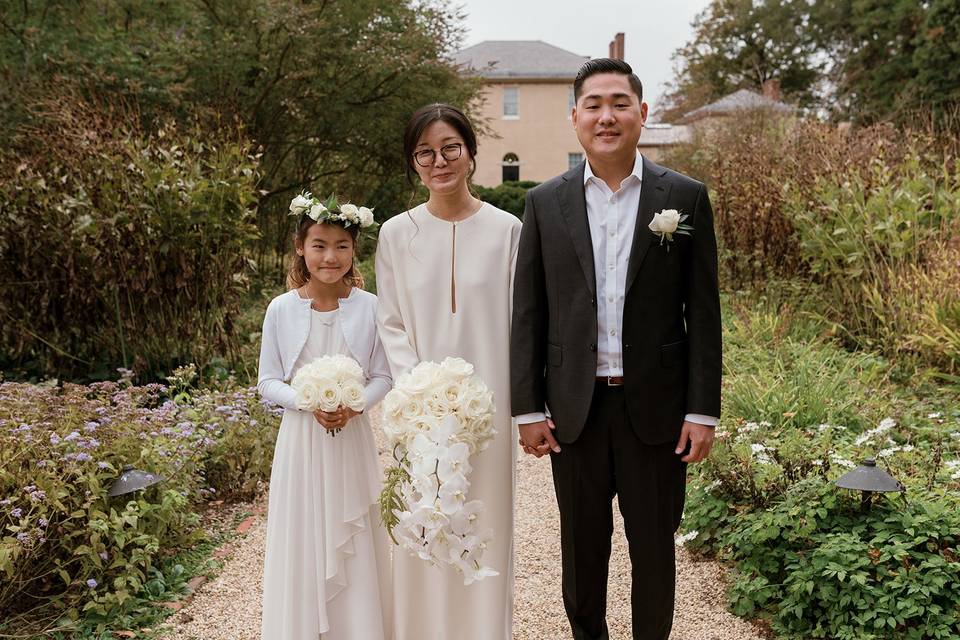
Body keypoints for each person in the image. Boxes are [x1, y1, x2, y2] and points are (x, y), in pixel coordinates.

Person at [510, 58, 722, 640]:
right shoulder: (543, 203)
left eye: (620, 103)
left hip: (656, 410)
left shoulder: (684, 197)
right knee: (581, 553)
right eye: (594, 105)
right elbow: (529, 311)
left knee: (654, 550)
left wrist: (702, 411)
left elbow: (703, 314)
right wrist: (528, 407)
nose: (608, 116)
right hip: (573, 411)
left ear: (642, 114)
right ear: (575, 116)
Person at [375, 103, 521, 640]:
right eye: (425, 153)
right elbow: (390, 321)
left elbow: (519, 322)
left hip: (489, 411)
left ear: (471, 153)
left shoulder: (508, 230)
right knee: (421, 524)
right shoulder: (395, 233)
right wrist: (421, 397)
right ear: (413, 161)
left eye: (450, 149)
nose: (439, 161)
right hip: (418, 417)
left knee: (485, 525)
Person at [258, 199, 393, 640]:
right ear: (300, 248)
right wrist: (306, 401)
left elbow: (383, 375)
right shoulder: (280, 309)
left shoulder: (371, 307)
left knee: (353, 536)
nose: (330, 257)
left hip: (352, 438)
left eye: (341, 246)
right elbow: (268, 381)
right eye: (319, 245)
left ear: (355, 251)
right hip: (301, 441)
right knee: (303, 538)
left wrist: (356, 405)